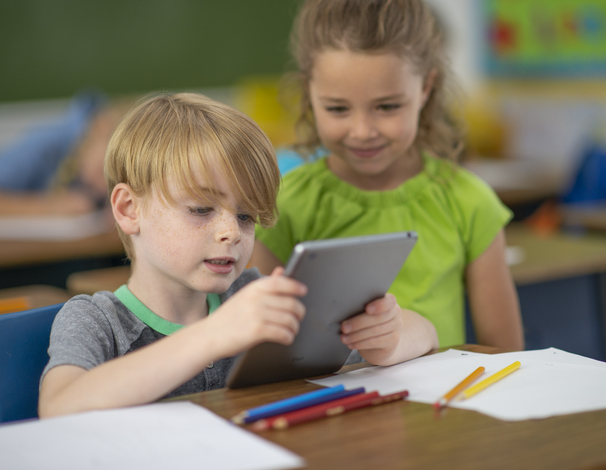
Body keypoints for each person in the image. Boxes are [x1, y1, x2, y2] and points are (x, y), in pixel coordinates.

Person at [39, 92, 435, 418]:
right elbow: (58, 408)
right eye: (201, 210)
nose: (231, 232)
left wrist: (392, 335)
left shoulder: (253, 297)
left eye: (246, 216)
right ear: (129, 210)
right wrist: (210, 336)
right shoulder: (96, 320)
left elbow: (428, 334)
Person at [249, 0, 524, 352]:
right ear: (308, 92)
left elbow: (506, 355)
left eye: (387, 107)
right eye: (337, 109)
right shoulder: (283, 205)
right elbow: (256, 348)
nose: (363, 132)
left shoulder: (469, 201)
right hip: (330, 405)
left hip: (444, 406)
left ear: (426, 88)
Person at [0, 91, 125, 218]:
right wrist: (50, 208)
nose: (105, 187)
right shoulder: (46, 143)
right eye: (106, 169)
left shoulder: (89, 164)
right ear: (100, 127)